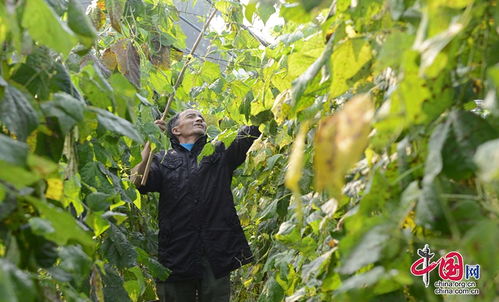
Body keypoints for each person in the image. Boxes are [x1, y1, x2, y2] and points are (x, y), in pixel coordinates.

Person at [130, 109, 261, 302]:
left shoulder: (220, 152)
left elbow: (254, 131)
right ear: (176, 130)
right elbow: (136, 181)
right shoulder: (162, 159)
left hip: (215, 250)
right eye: (191, 116)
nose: (199, 118)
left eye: (201, 116)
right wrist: (148, 143)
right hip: (177, 252)